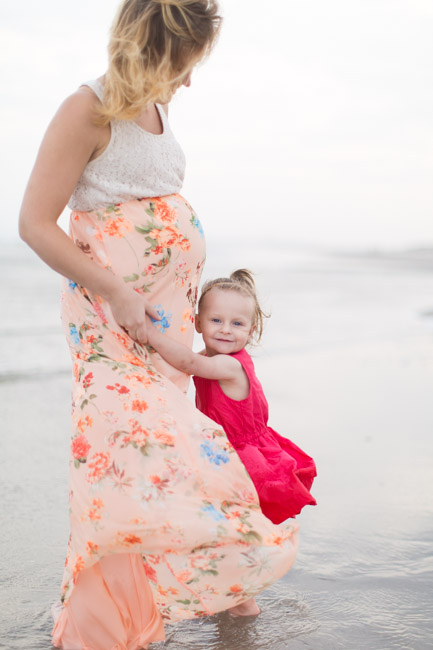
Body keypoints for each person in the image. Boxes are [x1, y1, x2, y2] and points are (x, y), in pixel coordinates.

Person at [19, 1, 299, 648]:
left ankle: (143, 610)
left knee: (152, 461)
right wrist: (116, 287)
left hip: (161, 328)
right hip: (111, 323)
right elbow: (34, 223)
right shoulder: (84, 110)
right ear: (149, 46)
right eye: (184, 64)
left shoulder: (158, 110)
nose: (189, 81)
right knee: (122, 460)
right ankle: (98, 626)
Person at [146, 268, 317, 525]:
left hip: (242, 456)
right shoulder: (211, 357)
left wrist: (148, 334)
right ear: (198, 322)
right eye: (216, 320)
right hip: (223, 446)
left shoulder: (229, 366)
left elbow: (187, 361)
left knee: (234, 519)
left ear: (251, 330)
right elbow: (185, 360)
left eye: (237, 324)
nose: (226, 330)